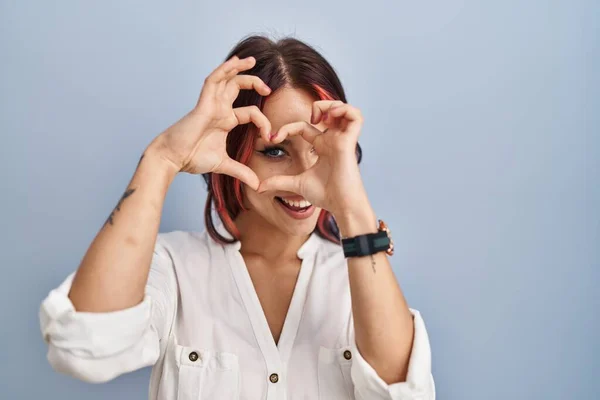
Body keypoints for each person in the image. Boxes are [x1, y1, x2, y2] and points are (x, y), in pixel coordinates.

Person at [39, 35, 435, 400]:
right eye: (275, 151)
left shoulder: (359, 280)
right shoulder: (174, 268)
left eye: (319, 149)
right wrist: (163, 158)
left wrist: (351, 205)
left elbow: (407, 393)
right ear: (233, 151)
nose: (303, 178)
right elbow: (82, 347)